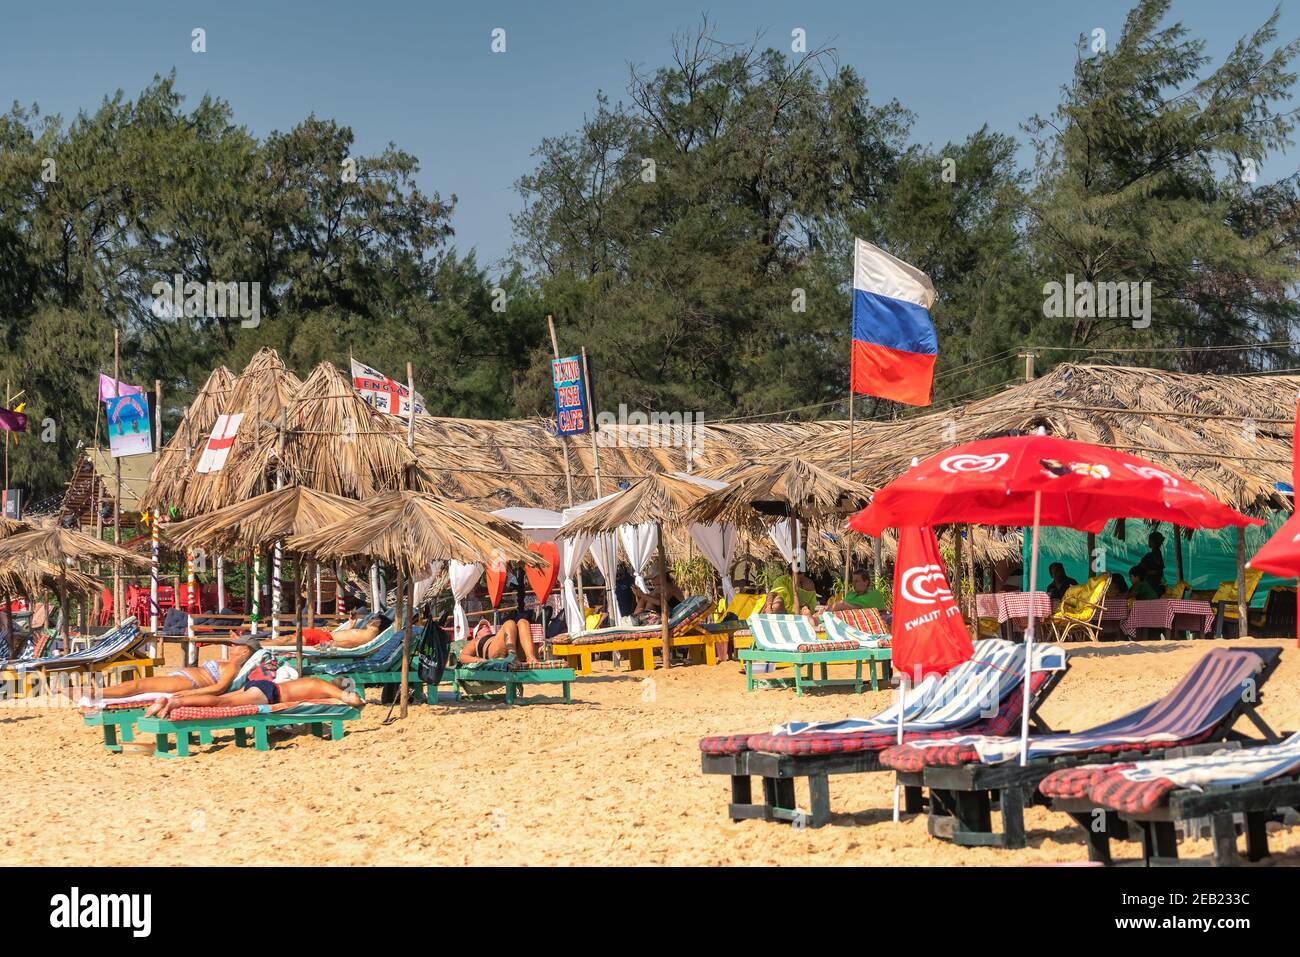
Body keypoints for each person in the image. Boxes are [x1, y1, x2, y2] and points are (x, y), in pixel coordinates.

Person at [142, 637, 362, 719]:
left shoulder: (315, 683)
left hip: (261, 686)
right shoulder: (322, 686)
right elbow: (351, 700)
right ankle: (176, 701)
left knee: (224, 701)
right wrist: (352, 698)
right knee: (222, 703)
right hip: (270, 694)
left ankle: (175, 699)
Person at [287, 611, 393, 650]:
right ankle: (269, 645)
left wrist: (329, 645)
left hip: (324, 640)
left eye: (375, 619)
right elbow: (348, 636)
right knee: (287, 639)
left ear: (378, 624)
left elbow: (351, 644)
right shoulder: (365, 632)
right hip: (324, 636)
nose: (371, 620)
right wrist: (351, 624)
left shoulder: (368, 637)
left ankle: (269, 646)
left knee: (286, 640)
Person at [456, 617, 542, 665]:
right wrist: (478, 660)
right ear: (476, 633)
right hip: (493, 652)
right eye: (481, 627)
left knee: (523, 622)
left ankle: (530, 657)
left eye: (487, 626)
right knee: (510, 623)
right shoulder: (475, 641)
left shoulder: (498, 636)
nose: (486, 627)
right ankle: (512, 655)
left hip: (514, 650)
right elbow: (462, 657)